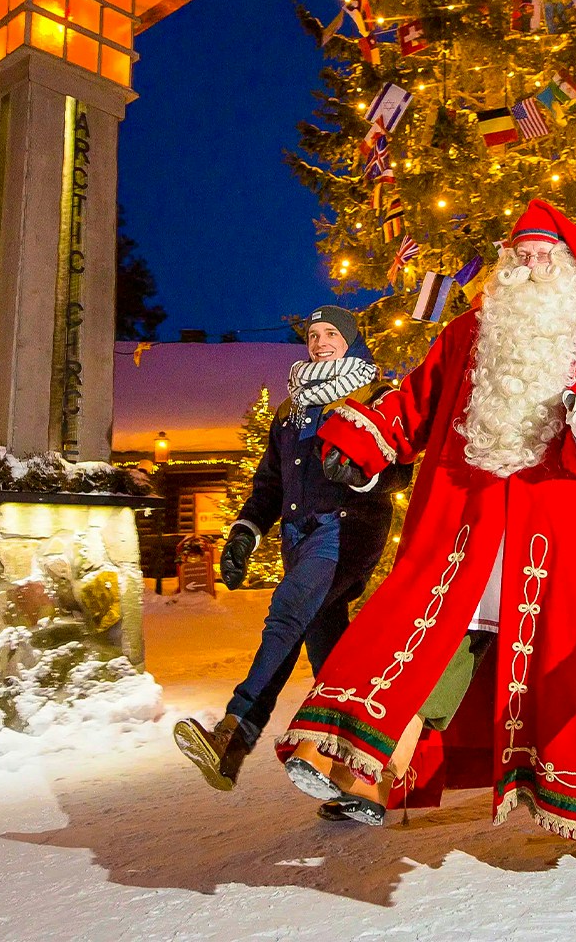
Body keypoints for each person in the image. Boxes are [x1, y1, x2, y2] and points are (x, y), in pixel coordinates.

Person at [276, 200, 576, 861]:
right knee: (434, 637)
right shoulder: (468, 331)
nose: (530, 262)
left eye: (544, 251)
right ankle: (364, 771)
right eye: (519, 253)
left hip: (566, 540)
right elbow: (415, 400)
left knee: (570, 670)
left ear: (573, 263)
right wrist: (366, 439)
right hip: (474, 524)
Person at [173, 305, 408, 791]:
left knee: (286, 615)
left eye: (331, 334)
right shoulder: (291, 409)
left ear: (350, 338)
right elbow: (270, 486)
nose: (320, 342)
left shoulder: (377, 396)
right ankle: (361, 775)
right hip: (299, 537)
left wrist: (363, 477)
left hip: (347, 530)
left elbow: (402, 468)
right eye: (313, 335)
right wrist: (244, 532)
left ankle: (233, 734)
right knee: (329, 650)